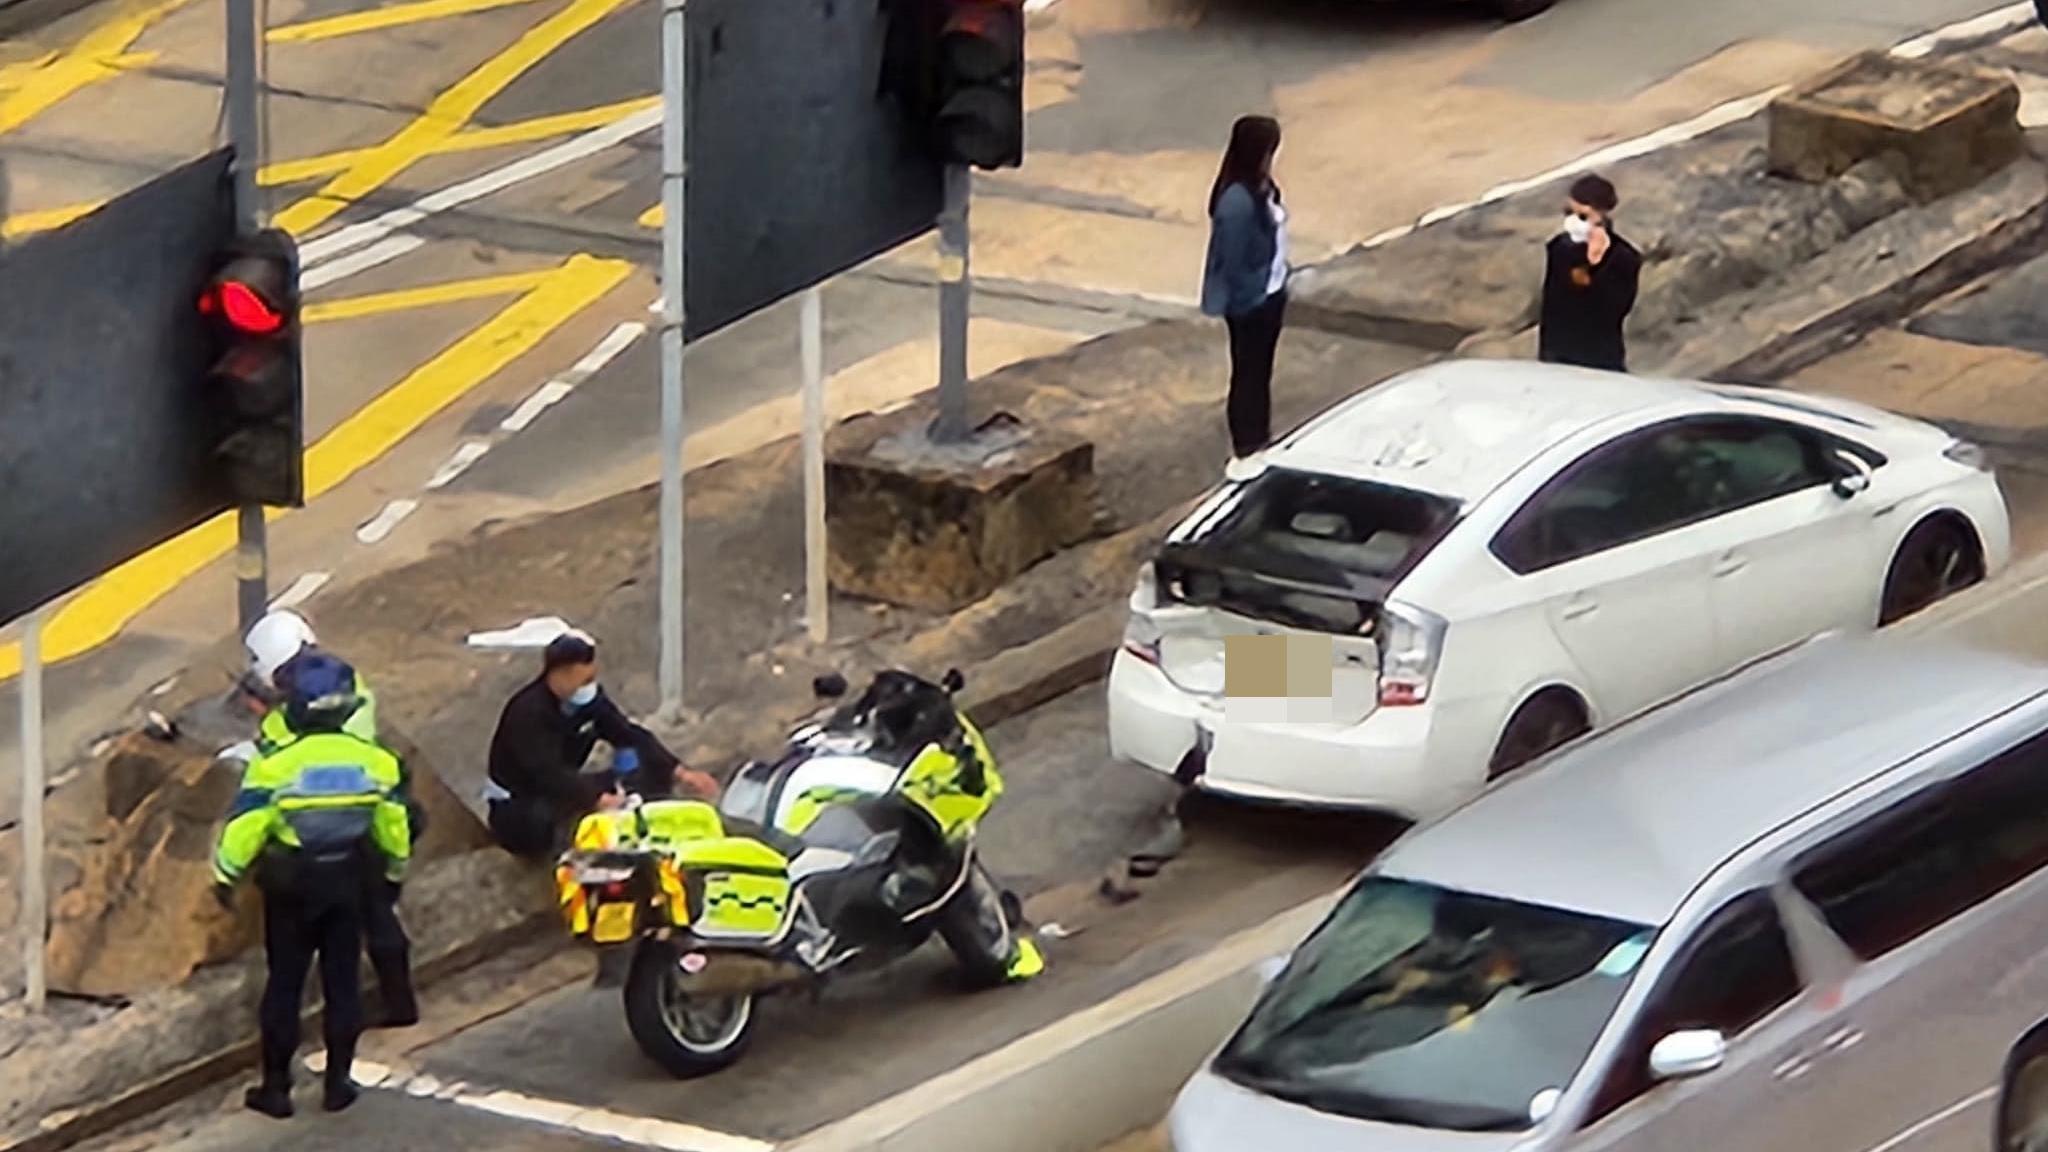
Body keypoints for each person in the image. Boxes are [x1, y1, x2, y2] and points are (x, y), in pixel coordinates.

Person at [213, 654, 410, 1119]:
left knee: (285, 984)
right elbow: (394, 828)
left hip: (292, 888)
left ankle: (276, 1089)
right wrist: (394, 874)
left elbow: (245, 830)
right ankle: (338, 1083)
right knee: (342, 983)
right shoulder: (377, 762)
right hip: (349, 881)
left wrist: (224, 877)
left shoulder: (275, 766)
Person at [240, 609, 419, 1028]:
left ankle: (394, 1004)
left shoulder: (318, 702)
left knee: (373, 912)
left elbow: (293, 752)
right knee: (379, 909)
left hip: (347, 817)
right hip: (370, 802)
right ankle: (399, 1002)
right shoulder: (337, 680)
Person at [484, 631, 719, 859]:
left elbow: (627, 733)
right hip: (521, 799)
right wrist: (597, 799)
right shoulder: (527, 713)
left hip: (567, 785)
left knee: (648, 772)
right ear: (561, 674)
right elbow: (547, 772)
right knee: (541, 822)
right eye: (584, 680)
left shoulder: (589, 701)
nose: (590, 686)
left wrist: (679, 771)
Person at [1201, 114, 1289, 481]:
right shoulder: (1237, 202)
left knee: (1259, 373)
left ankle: (1259, 440)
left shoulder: (1260, 185)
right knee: (1249, 375)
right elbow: (1234, 263)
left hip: (1270, 291)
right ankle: (1246, 447)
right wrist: (1254, 297)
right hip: (1253, 303)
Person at [1537, 173, 1642, 372]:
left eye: (1583, 216)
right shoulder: (1559, 247)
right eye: (1569, 212)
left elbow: (1615, 309)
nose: (1573, 221)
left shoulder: (1623, 257)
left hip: (1598, 358)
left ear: (1601, 215)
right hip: (1555, 355)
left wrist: (1597, 264)